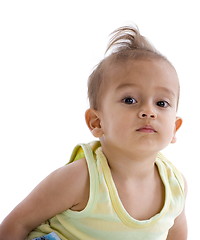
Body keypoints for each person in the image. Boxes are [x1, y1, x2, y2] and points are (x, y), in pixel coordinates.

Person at [0, 25, 188, 240]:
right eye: (130, 100)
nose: (148, 111)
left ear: (174, 127)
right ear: (97, 122)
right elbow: (17, 223)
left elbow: (177, 235)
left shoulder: (175, 185)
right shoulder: (80, 179)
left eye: (162, 103)